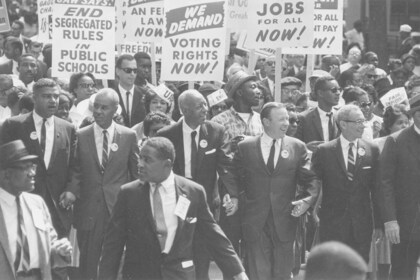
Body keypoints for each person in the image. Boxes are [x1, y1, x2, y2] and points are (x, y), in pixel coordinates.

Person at [98, 137, 248, 280]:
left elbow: (214, 236)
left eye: (147, 160)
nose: (140, 164)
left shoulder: (193, 192)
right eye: (140, 158)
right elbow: (113, 244)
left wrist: (238, 272)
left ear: (167, 164)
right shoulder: (128, 193)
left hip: (179, 275)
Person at [233, 102, 319, 280]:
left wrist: (307, 200)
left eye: (287, 118)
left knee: (282, 272)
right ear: (265, 121)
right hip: (254, 220)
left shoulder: (298, 146)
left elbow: (311, 179)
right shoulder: (245, 147)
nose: (287, 123)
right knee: (258, 272)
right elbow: (235, 179)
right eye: (281, 119)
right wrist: (234, 198)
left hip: (285, 218)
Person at [157, 89, 237, 280]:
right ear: (184, 110)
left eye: (205, 104)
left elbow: (225, 166)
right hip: (175, 201)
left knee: (202, 252)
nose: (205, 109)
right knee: (176, 249)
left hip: (204, 202)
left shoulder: (216, 131)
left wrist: (232, 194)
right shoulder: (166, 134)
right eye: (199, 105)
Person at [1, 78, 76, 279]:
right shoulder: (14, 124)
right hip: (19, 196)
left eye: (55, 96)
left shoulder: (67, 128)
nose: (53, 101)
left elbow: (75, 165)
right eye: (46, 96)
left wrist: (71, 189)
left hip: (56, 203)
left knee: (57, 263)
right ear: (34, 98)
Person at [64, 88, 139, 280]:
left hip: (117, 208)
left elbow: (135, 173)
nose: (98, 111)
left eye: (104, 107)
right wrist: (72, 191)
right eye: (95, 106)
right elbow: (75, 169)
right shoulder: (80, 135)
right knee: (88, 260)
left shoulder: (128, 135)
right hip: (88, 209)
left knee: (114, 259)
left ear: (115, 110)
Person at [311, 104, 381, 262]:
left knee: (357, 269)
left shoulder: (372, 149)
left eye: (363, 121)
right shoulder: (324, 151)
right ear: (343, 124)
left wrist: (379, 223)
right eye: (358, 121)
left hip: (362, 224)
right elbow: (313, 184)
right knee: (333, 270)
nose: (363, 125)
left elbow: (377, 189)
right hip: (332, 224)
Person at [211, 71, 264, 266]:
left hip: (258, 190)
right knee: (231, 245)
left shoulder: (263, 120)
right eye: (252, 87)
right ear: (239, 92)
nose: (258, 91)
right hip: (230, 189)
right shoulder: (219, 121)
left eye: (258, 87)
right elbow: (218, 161)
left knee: (255, 246)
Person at [0, 140, 73, 280]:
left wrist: (59, 250)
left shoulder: (37, 204)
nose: (32, 173)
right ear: (6, 174)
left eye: (32, 166)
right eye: (25, 168)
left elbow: (48, 248)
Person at [377, 94, 420, 280]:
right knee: (403, 273)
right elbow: (385, 183)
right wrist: (390, 220)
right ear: (417, 114)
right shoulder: (396, 141)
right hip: (407, 223)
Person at [296, 76, 341, 152]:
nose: (338, 93)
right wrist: (306, 148)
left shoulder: (341, 117)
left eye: (339, 90)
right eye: (334, 90)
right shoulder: (303, 118)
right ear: (320, 93)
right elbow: (295, 146)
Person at [114, 54, 146, 127]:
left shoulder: (145, 94)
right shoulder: (110, 95)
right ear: (117, 71)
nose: (132, 74)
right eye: (128, 70)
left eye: (135, 71)